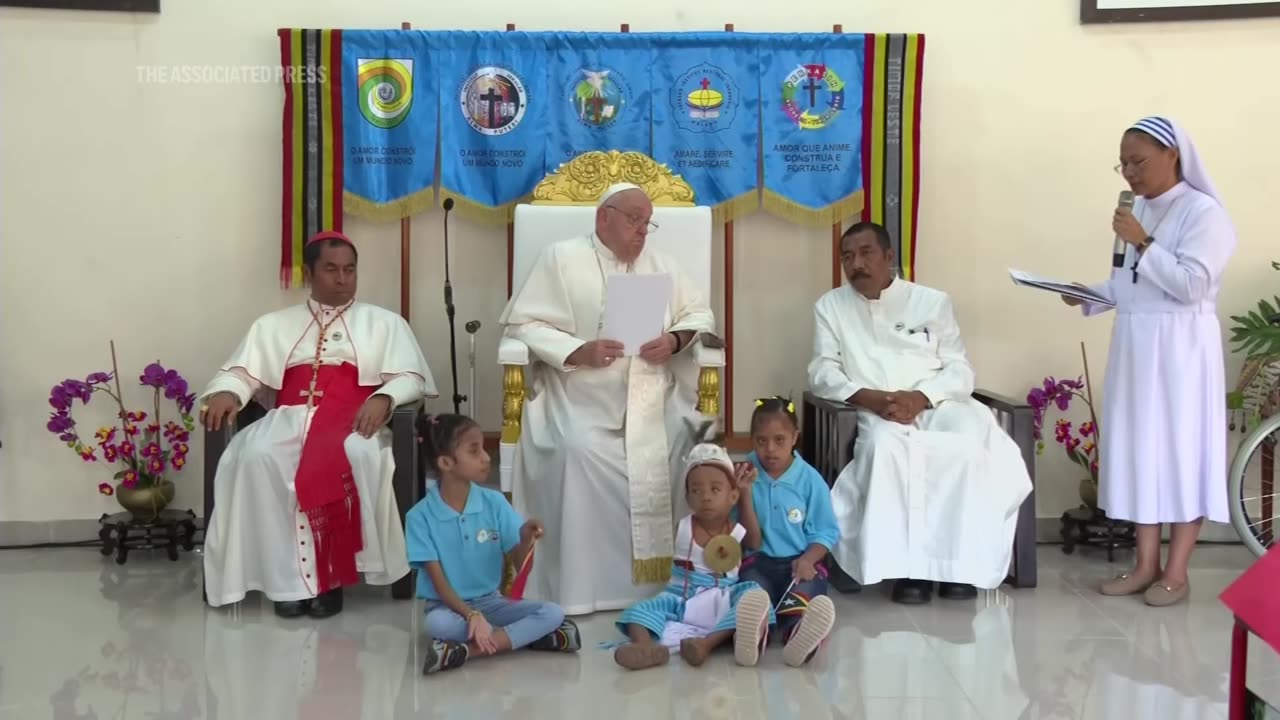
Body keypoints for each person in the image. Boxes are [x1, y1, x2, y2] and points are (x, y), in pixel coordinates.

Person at [497, 182, 717, 614]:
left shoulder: (662, 264)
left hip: (651, 392)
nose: (642, 232)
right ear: (604, 217)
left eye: (647, 223)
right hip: (577, 390)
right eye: (634, 220)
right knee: (576, 449)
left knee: (681, 442)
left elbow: (700, 313)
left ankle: (671, 584)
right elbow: (523, 326)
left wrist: (674, 340)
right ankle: (580, 588)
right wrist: (579, 350)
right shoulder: (560, 258)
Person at [200, 231, 435, 618]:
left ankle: (332, 577)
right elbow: (241, 372)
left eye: (350, 270)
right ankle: (283, 582)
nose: (342, 279)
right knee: (255, 455)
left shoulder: (385, 323)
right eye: (331, 270)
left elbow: (412, 377)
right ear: (309, 274)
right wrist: (228, 391)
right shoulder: (272, 325)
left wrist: (384, 397)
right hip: (286, 418)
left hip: (353, 420)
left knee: (356, 454)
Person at [808, 221, 1033, 605]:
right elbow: (822, 371)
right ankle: (907, 570)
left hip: (939, 404)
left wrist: (922, 397)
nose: (856, 264)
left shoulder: (932, 302)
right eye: (848, 257)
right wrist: (874, 399)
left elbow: (960, 369)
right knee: (884, 449)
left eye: (866, 254)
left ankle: (955, 568)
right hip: (875, 410)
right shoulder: (831, 306)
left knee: (966, 445)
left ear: (889, 257)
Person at [1061, 116, 1236, 607]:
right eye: (1123, 164)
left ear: (1173, 155)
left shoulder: (1205, 214)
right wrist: (1084, 295)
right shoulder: (1134, 211)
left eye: (1138, 162)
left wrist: (1142, 240)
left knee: (1180, 451)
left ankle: (1177, 572)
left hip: (1182, 349)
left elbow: (1190, 286)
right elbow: (1125, 285)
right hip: (1136, 345)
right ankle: (1144, 565)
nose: (1129, 174)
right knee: (1141, 450)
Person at [407, 414, 581, 675]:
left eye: (483, 449)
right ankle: (533, 638)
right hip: (449, 607)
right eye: (474, 451)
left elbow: (519, 563)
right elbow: (439, 584)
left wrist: (524, 539)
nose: (487, 458)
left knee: (553, 612)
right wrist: (471, 615)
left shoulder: (495, 503)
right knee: (437, 625)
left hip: (491, 603)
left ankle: (464, 651)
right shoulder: (419, 517)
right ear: (446, 462)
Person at [612, 443, 773, 671]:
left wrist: (746, 496)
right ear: (688, 498)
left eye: (715, 490)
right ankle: (645, 647)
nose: (705, 497)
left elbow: (755, 542)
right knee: (639, 610)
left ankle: (705, 644)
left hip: (721, 595)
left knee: (753, 595)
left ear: (732, 496)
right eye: (696, 491)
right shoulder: (684, 527)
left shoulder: (736, 529)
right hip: (680, 596)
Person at [736, 396, 839, 666]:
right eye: (761, 441)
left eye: (779, 440)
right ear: (752, 439)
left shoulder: (810, 480)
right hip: (759, 562)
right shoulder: (746, 473)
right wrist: (744, 494)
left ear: (794, 437)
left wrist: (807, 560)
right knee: (753, 594)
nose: (769, 450)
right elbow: (752, 541)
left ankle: (798, 635)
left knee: (803, 597)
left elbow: (826, 533)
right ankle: (756, 634)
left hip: (800, 564)